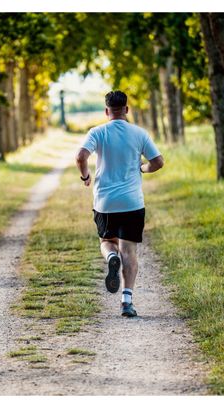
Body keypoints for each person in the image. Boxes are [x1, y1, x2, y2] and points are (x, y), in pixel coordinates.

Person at [75, 90, 164, 317]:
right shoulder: (139, 133)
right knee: (130, 251)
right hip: (132, 202)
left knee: (107, 241)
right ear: (126, 109)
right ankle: (127, 301)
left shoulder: (97, 132)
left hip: (105, 202)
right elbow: (158, 162)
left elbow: (80, 156)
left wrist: (86, 176)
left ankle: (111, 257)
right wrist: (142, 167)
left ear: (107, 111)